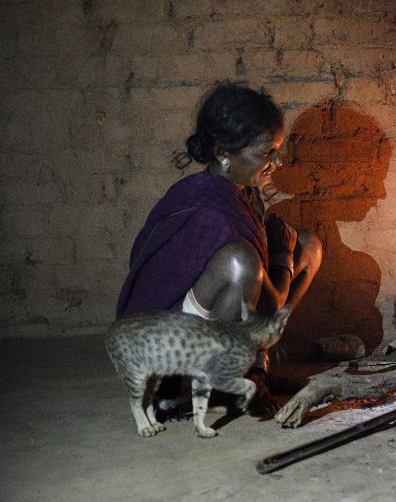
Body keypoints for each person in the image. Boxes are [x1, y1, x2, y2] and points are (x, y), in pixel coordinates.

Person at [116, 82, 323, 407]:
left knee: (309, 246)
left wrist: (272, 234)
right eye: (265, 153)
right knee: (240, 262)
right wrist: (282, 255)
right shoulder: (211, 210)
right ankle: (202, 386)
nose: (276, 163)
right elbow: (270, 309)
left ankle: (254, 371)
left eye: (276, 151)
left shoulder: (237, 191)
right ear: (224, 154)